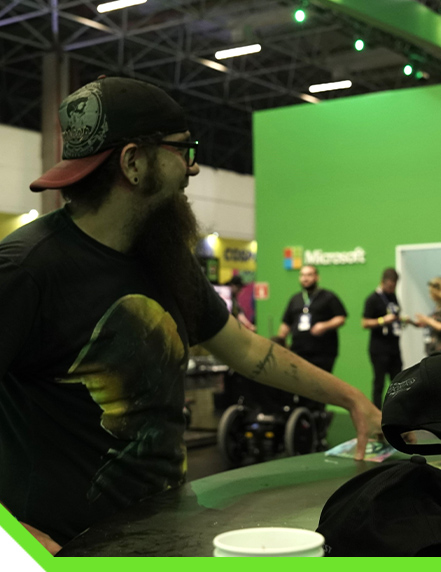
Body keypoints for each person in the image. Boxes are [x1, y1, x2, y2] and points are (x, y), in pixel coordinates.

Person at [0, 77, 381, 555]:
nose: (193, 167)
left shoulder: (165, 258)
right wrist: (17, 539)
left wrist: (350, 398)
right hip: (69, 551)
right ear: (133, 162)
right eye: (183, 149)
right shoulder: (25, 270)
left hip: (162, 535)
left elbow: (246, 349)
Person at [276, 265, 347, 374]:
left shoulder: (328, 297)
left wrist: (324, 326)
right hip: (298, 350)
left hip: (323, 352)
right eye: (302, 275)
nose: (305, 278)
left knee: (321, 381)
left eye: (309, 275)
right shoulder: (295, 299)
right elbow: (286, 323)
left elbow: (341, 318)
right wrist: (280, 342)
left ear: (317, 277)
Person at [361, 268, 403, 408]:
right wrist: (382, 320)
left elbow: (396, 317)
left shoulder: (393, 297)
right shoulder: (372, 299)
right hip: (379, 348)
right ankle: (377, 412)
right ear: (383, 282)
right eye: (389, 286)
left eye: (394, 286)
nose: (392, 289)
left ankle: (397, 410)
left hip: (394, 347)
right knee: (379, 383)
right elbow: (364, 323)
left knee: (398, 381)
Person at [413, 277, 441, 355]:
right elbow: (435, 323)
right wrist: (423, 322)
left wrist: (427, 320)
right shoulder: (437, 307)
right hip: (433, 349)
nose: (430, 295)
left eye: (431, 292)